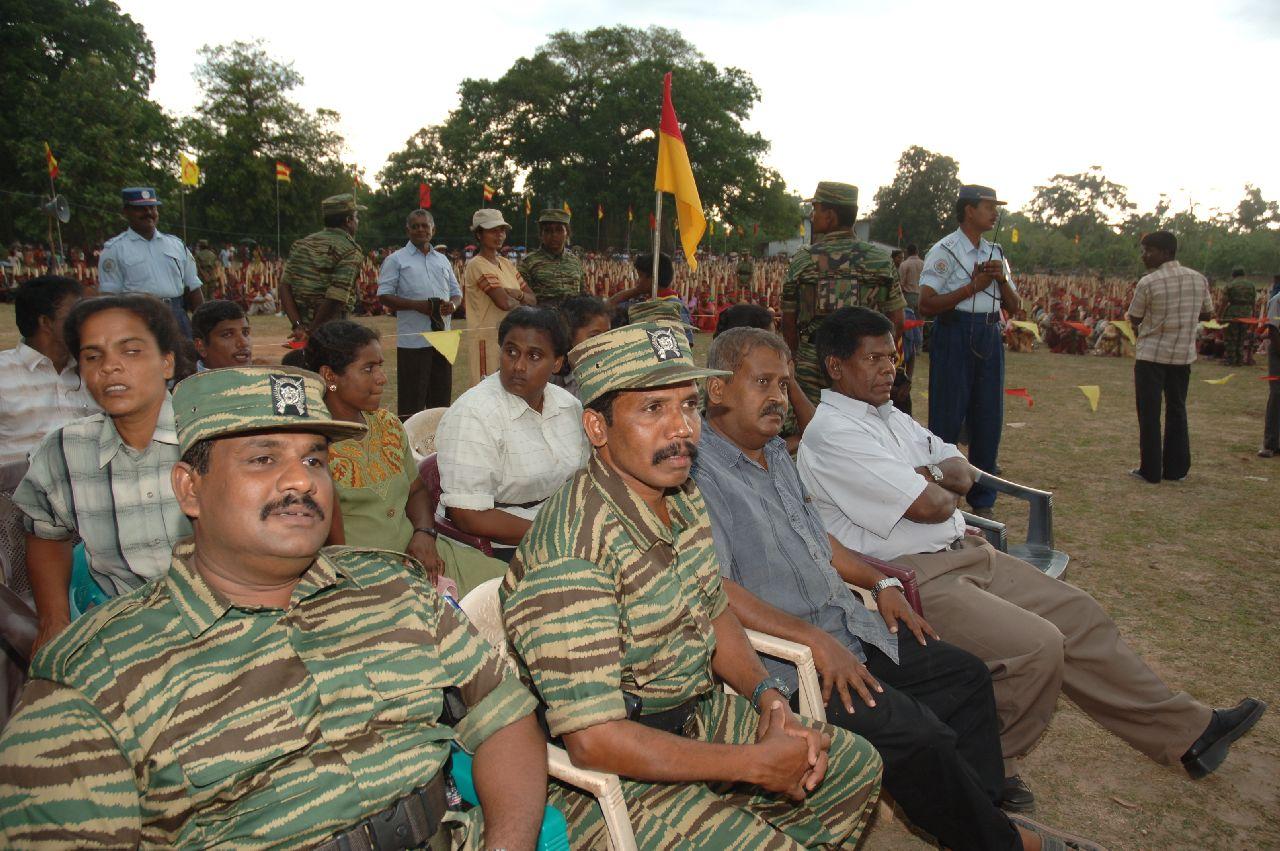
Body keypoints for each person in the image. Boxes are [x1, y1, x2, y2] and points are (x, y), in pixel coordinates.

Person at [0, 365, 548, 849]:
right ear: (189, 489)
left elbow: (504, 715)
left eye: (314, 458)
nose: (302, 480)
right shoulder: (96, 677)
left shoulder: (395, 591)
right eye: (263, 459)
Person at [798, 306, 1266, 808]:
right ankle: (988, 765)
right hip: (907, 578)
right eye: (873, 359)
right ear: (835, 366)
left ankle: (1189, 734)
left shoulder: (889, 416)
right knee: (1035, 647)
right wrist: (934, 478)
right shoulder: (834, 433)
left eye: (891, 357)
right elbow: (933, 505)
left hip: (965, 553)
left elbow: (963, 470)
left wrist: (929, 475)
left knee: (1080, 616)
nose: (888, 368)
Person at [695, 327, 1096, 850]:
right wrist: (815, 643)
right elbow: (717, 587)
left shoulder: (774, 453)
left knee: (967, 678)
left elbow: (818, 539)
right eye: (762, 382)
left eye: (785, 384)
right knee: (918, 734)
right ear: (718, 388)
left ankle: (982, 819)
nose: (778, 397)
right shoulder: (699, 471)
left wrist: (880, 579)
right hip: (793, 661)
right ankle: (1008, 844)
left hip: (848, 626)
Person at [501, 321, 883, 850]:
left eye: (688, 405)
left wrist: (768, 697)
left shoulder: (677, 494)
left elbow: (712, 607)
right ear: (596, 427)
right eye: (652, 409)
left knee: (853, 766)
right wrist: (752, 764)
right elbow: (594, 740)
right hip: (617, 771)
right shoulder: (572, 553)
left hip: (695, 715)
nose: (681, 428)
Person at [14, 295, 192, 652]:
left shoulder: (211, 438)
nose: (109, 367)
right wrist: (53, 620)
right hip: (124, 636)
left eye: (131, 351)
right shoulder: (63, 450)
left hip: (227, 629)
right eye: (93, 357)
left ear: (167, 362)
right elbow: (46, 534)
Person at [436, 307, 585, 561]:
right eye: (511, 352)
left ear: (557, 363)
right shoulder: (475, 413)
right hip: (496, 547)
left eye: (534, 356)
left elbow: (586, 476)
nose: (518, 366)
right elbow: (467, 515)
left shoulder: (568, 406)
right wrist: (556, 534)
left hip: (563, 526)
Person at [916, 185, 1022, 517]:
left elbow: (1015, 306)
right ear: (969, 210)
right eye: (989, 206)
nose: (995, 213)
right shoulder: (945, 250)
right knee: (947, 416)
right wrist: (972, 287)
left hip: (989, 333)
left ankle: (983, 501)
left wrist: (999, 280)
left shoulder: (995, 252)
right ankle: (943, 494)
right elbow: (926, 304)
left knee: (989, 417)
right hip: (955, 332)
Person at [782, 182, 906, 406]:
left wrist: (797, 357)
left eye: (816, 209)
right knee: (863, 421)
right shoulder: (880, 260)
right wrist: (876, 356)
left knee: (813, 421)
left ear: (830, 216)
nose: (812, 215)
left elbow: (789, 320)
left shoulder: (803, 260)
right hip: (865, 366)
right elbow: (897, 319)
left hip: (813, 365)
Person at [1126, 231, 1213, 483]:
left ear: (1165, 253)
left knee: (1149, 413)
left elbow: (1134, 317)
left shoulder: (1148, 282)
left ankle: (1150, 470)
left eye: (1148, 250)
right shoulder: (1198, 279)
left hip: (1151, 356)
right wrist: (1184, 315)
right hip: (1182, 356)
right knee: (1177, 410)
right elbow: (1207, 314)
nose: (1144, 256)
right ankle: (1176, 470)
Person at [0, 275, 98, 466]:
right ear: (46, 322)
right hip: (19, 482)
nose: (86, 323)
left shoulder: (94, 371)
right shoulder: (4, 373)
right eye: (77, 315)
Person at [376, 209, 463, 415]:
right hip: (413, 341)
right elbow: (384, 295)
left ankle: (436, 436)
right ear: (408, 230)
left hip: (443, 340)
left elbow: (456, 293)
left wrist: (452, 306)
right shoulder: (396, 260)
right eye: (415, 226)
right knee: (411, 403)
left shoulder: (442, 260)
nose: (420, 230)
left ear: (433, 229)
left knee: (440, 402)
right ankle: (409, 437)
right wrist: (417, 306)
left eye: (425, 226)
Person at [97, 187, 204, 337]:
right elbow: (109, 298)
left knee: (184, 353)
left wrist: (203, 327)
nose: (148, 213)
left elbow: (193, 288)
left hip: (176, 316)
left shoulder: (176, 245)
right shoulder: (114, 250)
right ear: (126, 212)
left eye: (152, 208)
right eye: (140, 209)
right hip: (137, 319)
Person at [712, 303, 815, 452]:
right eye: (769, 341)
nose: (777, 346)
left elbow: (815, 430)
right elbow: (741, 453)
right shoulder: (723, 393)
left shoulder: (776, 385)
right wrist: (798, 441)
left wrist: (790, 381)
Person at [461, 209, 536, 387]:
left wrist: (517, 294)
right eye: (493, 230)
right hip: (487, 341)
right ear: (479, 234)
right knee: (487, 390)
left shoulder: (506, 263)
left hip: (512, 339)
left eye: (502, 230)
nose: (499, 235)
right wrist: (520, 299)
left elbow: (533, 299)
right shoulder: (477, 264)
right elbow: (504, 302)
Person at [279, 194, 366, 342]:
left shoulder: (301, 245)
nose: (358, 221)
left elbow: (284, 286)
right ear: (348, 220)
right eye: (356, 217)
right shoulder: (350, 250)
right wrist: (311, 333)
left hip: (303, 325)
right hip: (333, 328)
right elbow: (335, 298)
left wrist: (298, 326)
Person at [550, 293, 614, 398]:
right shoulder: (551, 378)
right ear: (569, 336)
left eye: (607, 335)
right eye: (594, 336)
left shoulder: (610, 377)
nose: (603, 343)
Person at [517, 209, 584, 308]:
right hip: (541, 316)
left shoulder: (575, 262)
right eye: (548, 230)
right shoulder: (527, 263)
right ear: (541, 234)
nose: (554, 235)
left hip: (572, 315)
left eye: (559, 230)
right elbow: (523, 299)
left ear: (567, 233)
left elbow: (583, 294)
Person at [191, 299, 252, 371]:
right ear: (201, 347)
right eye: (227, 334)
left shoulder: (261, 376)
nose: (244, 343)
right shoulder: (188, 378)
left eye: (245, 333)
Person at [1259, 280, 1280, 457]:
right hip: (1278, 350)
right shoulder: (1277, 300)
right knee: (1277, 394)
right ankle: (1271, 443)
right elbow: (1272, 329)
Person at [1221, 268, 1255, 367]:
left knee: (1231, 337)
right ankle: (1240, 360)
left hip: (1233, 313)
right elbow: (1253, 301)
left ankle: (1231, 360)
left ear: (1233, 275)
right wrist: (1253, 315)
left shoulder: (1230, 285)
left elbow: (1224, 301)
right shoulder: (1251, 285)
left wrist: (1220, 314)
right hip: (1246, 313)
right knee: (1241, 337)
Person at [898, 244, 924, 313]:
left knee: (908, 318)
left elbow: (901, 283)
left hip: (908, 296)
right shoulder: (924, 264)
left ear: (907, 252)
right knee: (919, 319)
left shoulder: (904, 264)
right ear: (917, 251)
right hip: (921, 296)